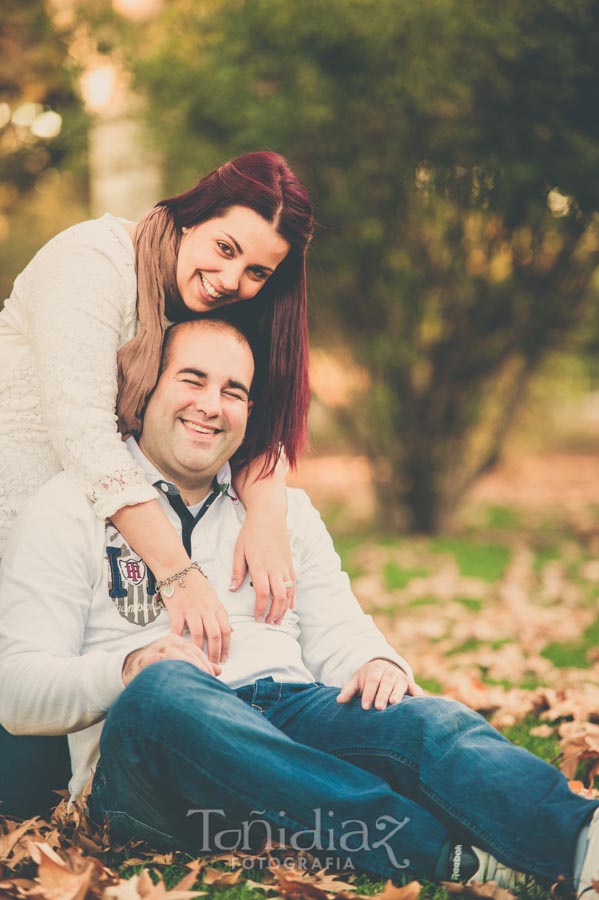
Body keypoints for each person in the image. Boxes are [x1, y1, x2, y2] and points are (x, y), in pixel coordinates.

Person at [0, 317, 598, 893]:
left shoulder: (279, 510)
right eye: (192, 379)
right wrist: (128, 668)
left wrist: (375, 660)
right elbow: (16, 693)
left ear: (250, 412)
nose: (212, 404)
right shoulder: (72, 506)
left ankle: (579, 842)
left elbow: (341, 632)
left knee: (427, 721)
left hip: (287, 718)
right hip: (153, 766)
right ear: (146, 387)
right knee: (162, 692)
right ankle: (449, 855)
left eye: (234, 391)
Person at [0, 151, 313, 817]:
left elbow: (252, 422)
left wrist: (265, 511)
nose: (232, 278)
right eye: (225, 249)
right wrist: (179, 572)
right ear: (190, 214)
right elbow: (86, 437)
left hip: (83, 563)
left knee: (92, 761)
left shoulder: (188, 309)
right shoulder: (92, 262)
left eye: (257, 271)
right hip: (15, 537)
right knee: (22, 793)